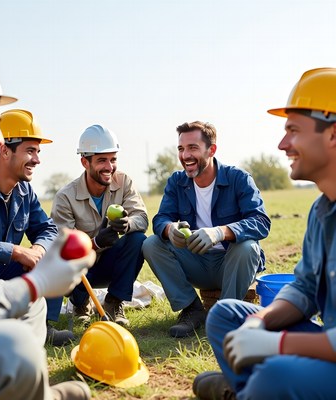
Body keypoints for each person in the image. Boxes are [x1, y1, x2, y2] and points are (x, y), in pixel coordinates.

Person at [0, 48, 96, 400]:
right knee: (14, 346)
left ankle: (29, 390)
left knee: (28, 310)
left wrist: (32, 281)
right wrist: (33, 282)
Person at [192, 67, 336, 400]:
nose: (282, 143)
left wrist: (279, 343)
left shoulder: (238, 179)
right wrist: (261, 320)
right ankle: (252, 390)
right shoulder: (321, 211)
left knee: (275, 374)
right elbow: (305, 288)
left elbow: (258, 221)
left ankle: (253, 389)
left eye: (294, 130)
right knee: (227, 316)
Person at [142, 121, 271, 338]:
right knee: (151, 243)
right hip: (197, 263)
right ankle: (192, 310)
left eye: (193, 148)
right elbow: (161, 219)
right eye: (181, 149)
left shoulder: (239, 179)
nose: (185, 155)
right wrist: (169, 229)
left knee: (248, 247)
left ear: (211, 150)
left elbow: (261, 221)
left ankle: (227, 314)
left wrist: (220, 232)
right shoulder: (176, 181)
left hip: (232, 265)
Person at [0, 108, 72, 346]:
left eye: (38, 151)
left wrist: (39, 251)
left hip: (9, 271)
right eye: (30, 151)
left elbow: (48, 230)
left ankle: (44, 325)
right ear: (4, 150)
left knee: (55, 254)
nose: (37, 159)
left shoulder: (25, 191)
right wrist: (15, 251)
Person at [51, 124, 148, 326]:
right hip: (80, 272)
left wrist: (126, 224)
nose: (109, 167)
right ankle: (80, 304)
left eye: (113, 159)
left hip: (109, 265)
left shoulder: (124, 182)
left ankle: (114, 302)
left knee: (138, 239)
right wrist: (95, 243)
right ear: (84, 162)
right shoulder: (65, 197)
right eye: (102, 160)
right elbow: (61, 248)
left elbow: (142, 218)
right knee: (62, 259)